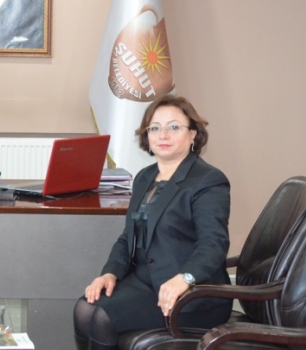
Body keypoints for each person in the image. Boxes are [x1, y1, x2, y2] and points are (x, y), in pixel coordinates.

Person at [73, 95, 232, 350]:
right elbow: (128, 236)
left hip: (191, 293)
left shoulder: (207, 180)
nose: (163, 135)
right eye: (155, 128)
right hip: (144, 282)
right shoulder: (145, 177)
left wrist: (185, 278)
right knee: (84, 308)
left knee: (103, 318)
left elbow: (213, 244)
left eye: (174, 127)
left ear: (193, 134)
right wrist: (110, 273)